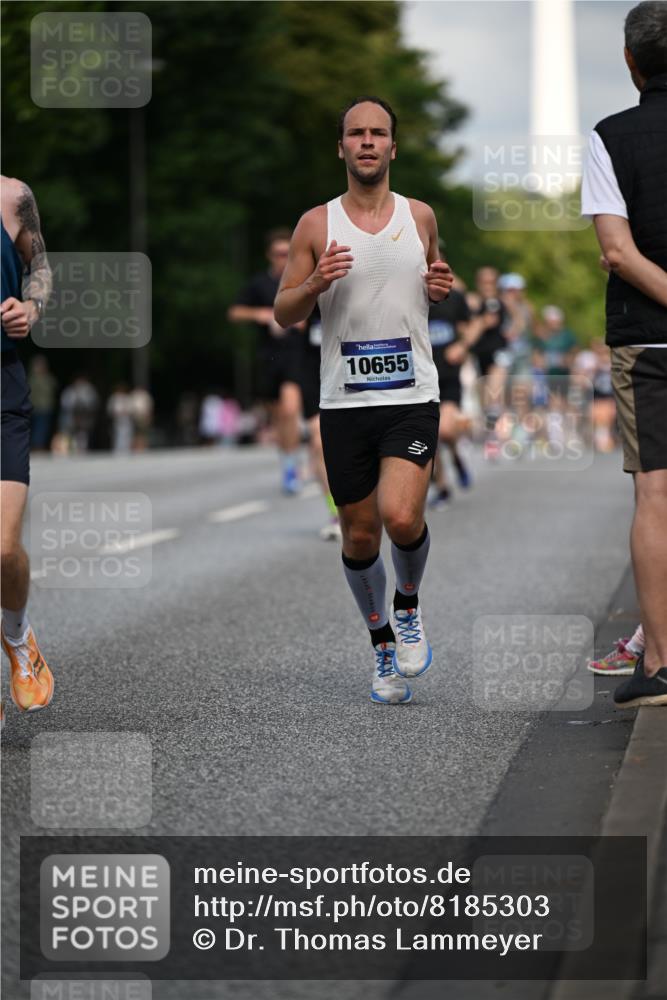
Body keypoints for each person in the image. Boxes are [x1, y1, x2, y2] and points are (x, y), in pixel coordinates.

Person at [274, 96, 453, 704]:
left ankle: (407, 605)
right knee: (359, 536)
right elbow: (284, 311)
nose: (368, 142)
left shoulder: (420, 216)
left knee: (402, 518)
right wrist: (315, 281)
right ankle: (381, 646)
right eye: (357, 134)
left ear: (393, 147)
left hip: (411, 392)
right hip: (345, 401)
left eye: (379, 133)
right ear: (342, 147)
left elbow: (432, 283)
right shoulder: (316, 225)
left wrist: (440, 287)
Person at [581, 0, 667, 707]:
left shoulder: (608, 137)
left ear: (630, 62)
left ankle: (659, 664)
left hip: (646, 338)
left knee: (655, 494)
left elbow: (616, 250)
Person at [0, 176, 55, 723]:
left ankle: (17, 638)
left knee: (2, 547)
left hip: (2, 387)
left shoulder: (12, 195)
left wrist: (30, 310)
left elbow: (40, 268)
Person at [228, 229, 305, 495]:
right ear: (269, 256)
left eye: (287, 253)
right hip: (269, 357)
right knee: (278, 417)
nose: (283, 258)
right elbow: (235, 312)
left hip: (296, 354)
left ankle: (293, 465)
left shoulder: (301, 280)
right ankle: (287, 463)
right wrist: (262, 314)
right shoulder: (260, 284)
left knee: (291, 410)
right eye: (278, 254)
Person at [427, 279, 473, 508]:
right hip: (422, 379)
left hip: (448, 377)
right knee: (429, 438)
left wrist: (462, 347)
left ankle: (456, 457)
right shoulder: (408, 294)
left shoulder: (454, 297)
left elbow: (470, 328)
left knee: (445, 431)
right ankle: (442, 487)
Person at [300, 306, 342, 540]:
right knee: (318, 442)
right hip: (315, 378)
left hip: (355, 374)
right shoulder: (307, 287)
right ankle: (336, 513)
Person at [27, 354, 57, 452]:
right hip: (35, 407)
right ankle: (36, 446)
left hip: (46, 407)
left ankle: (39, 445)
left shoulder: (47, 378)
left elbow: (54, 386)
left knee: (43, 428)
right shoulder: (32, 379)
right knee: (38, 428)